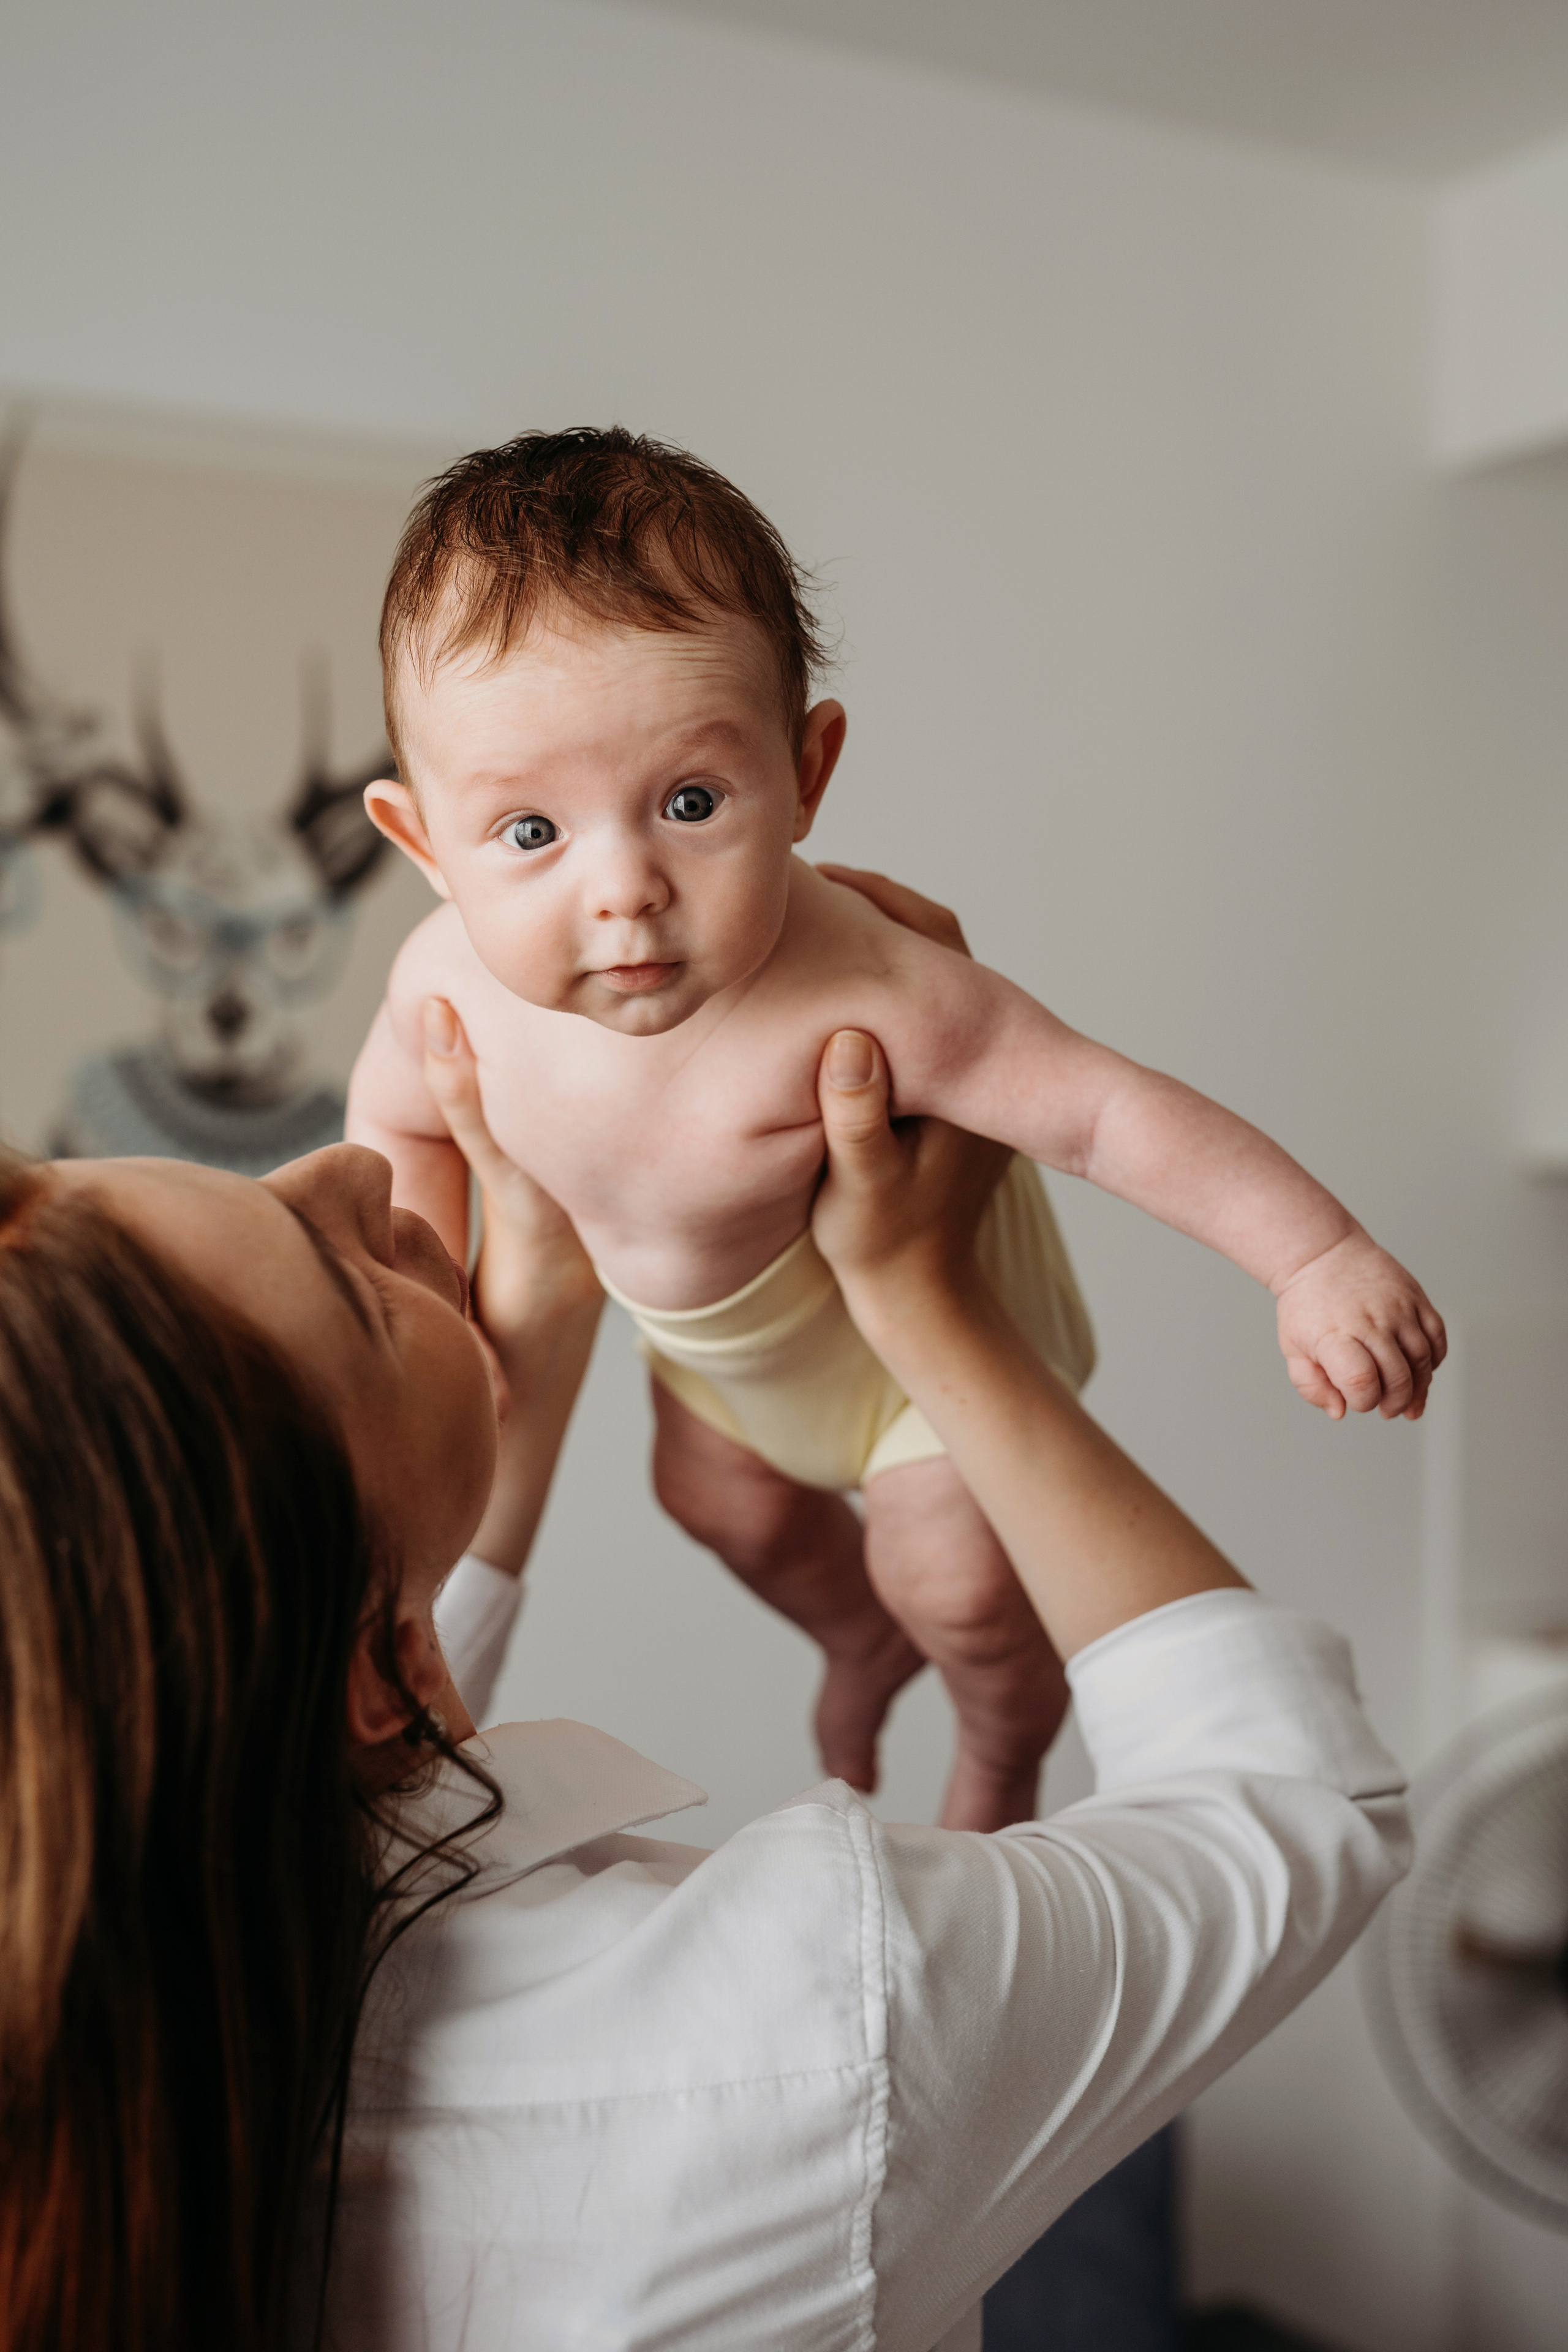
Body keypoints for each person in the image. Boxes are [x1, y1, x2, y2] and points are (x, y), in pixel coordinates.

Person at [0, 894, 1411, 2346]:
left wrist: (533, 1300)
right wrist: (922, 1294)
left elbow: (335, 1712)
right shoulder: (793, 2025)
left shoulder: (144, 2012)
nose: (358, 1162)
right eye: (354, 1290)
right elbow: (1298, 1809)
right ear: (380, 1664)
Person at [347, 426, 1445, 1834]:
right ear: (422, 838)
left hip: (912, 1366)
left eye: (690, 804)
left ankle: (1002, 1734)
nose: (624, 889)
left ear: (806, 773)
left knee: (954, 1587)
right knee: (717, 1510)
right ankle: (854, 1640)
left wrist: (1314, 1256)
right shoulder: (442, 985)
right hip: (714, 1364)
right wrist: (424, 1307)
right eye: (530, 833)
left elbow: (1103, 1115)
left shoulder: (862, 986)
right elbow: (398, 1136)